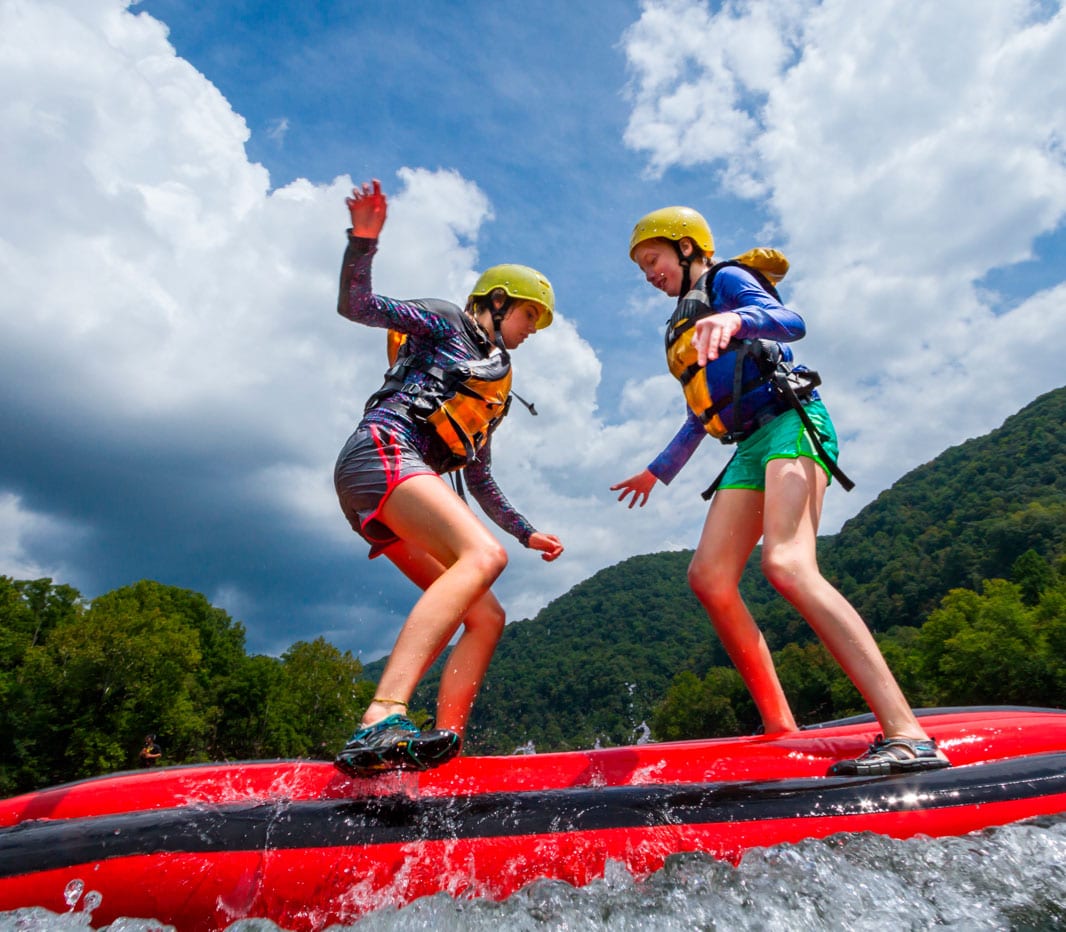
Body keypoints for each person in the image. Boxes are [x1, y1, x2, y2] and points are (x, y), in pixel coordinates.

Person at [612, 206, 949, 776]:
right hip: (747, 446)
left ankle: (907, 733)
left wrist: (738, 321)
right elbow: (703, 412)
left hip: (793, 422)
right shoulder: (683, 321)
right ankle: (781, 727)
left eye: (654, 260)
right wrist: (657, 470)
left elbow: (789, 320)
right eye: (643, 267)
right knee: (709, 578)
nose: (650, 274)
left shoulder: (725, 281)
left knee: (788, 564)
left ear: (688, 247)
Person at [333, 179, 564, 776]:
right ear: (497, 301)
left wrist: (526, 532)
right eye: (529, 315)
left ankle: (442, 750)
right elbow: (358, 306)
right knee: (481, 558)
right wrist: (363, 241)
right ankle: (382, 715)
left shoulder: (495, 388)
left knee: (488, 615)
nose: (532, 329)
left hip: (398, 485)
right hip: (382, 452)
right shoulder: (443, 322)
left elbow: (480, 478)